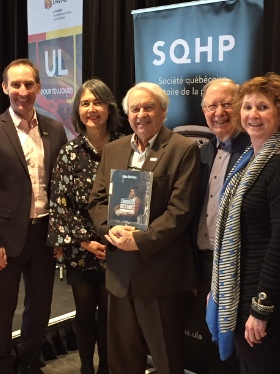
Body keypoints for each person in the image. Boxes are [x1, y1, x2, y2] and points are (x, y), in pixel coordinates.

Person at [88, 82, 201, 374]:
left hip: (160, 273)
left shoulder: (182, 149)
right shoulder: (112, 150)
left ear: (163, 111)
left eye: (148, 107)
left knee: (167, 359)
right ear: (127, 115)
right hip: (119, 273)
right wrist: (108, 231)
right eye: (135, 109)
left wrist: (141, 239)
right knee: (122, 359)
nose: (141, 114)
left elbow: (181, 210)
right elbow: (98, 201)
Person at [206, 73, 280, 373]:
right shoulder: (248, 160)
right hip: (238, 294)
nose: (253, 115)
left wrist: (261, 308)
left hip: (261, 304)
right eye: (247, 107)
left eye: (263, 107)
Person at [0, 58, 67, 374]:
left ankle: (30, 361)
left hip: (44, 233)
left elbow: (61, 187)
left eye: (29, 84)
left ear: (39, 88)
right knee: (2, 309)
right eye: (16, 84)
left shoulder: (55, 129)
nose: (23, 91)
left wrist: (60, 236)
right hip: (5, 237)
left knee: (40, 306)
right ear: (5, 88)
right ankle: (2, 364)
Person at [47, 78, 123, 374]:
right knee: (84, 313)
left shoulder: (127, 145)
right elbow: (60, 204)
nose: (92, 109)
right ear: (78, 111)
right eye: (85, 103)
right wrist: (85, 242)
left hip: (119, 246)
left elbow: (138, 196)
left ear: (109, 107)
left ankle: (106, 367)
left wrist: (114, 239)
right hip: (82, 250)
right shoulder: (69, 153)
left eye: (98, 102)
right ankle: (85, 368)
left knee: (110, 316)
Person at [192, 78, 249, 373]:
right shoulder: (203, 153)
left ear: (240, 106)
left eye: (227, 103)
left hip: (236, 269)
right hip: (203, 265)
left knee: (238, 349)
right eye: (212, 106)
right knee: (211, 345)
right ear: (203, 111)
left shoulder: (254, 154)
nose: (219, 112)